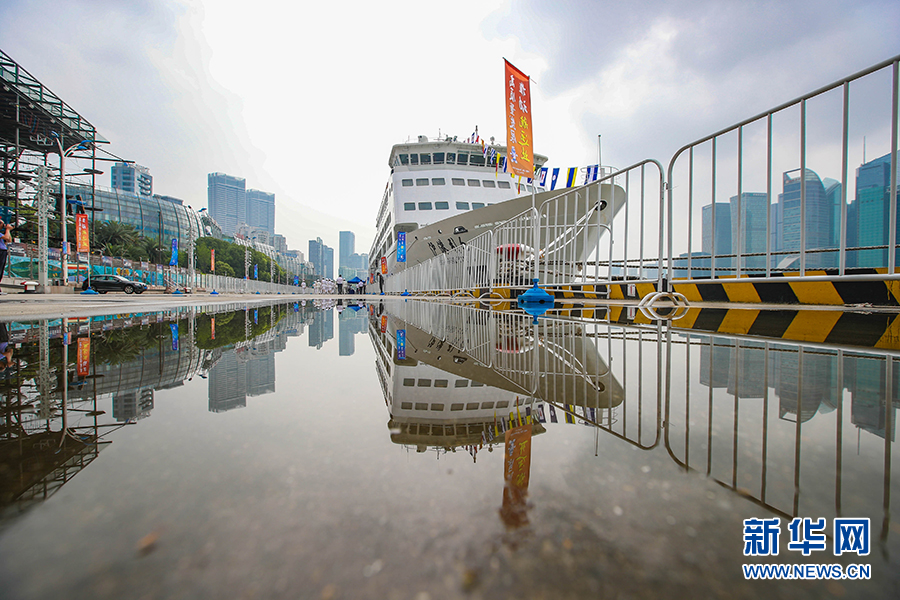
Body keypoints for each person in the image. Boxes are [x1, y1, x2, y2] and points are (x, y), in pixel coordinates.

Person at [0, 219, 11, 294]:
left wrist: (8, 230)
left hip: (3, 251)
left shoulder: (0, 234)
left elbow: (9, 239)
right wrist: (7, 229)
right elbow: (6, 238)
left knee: (1, 270)